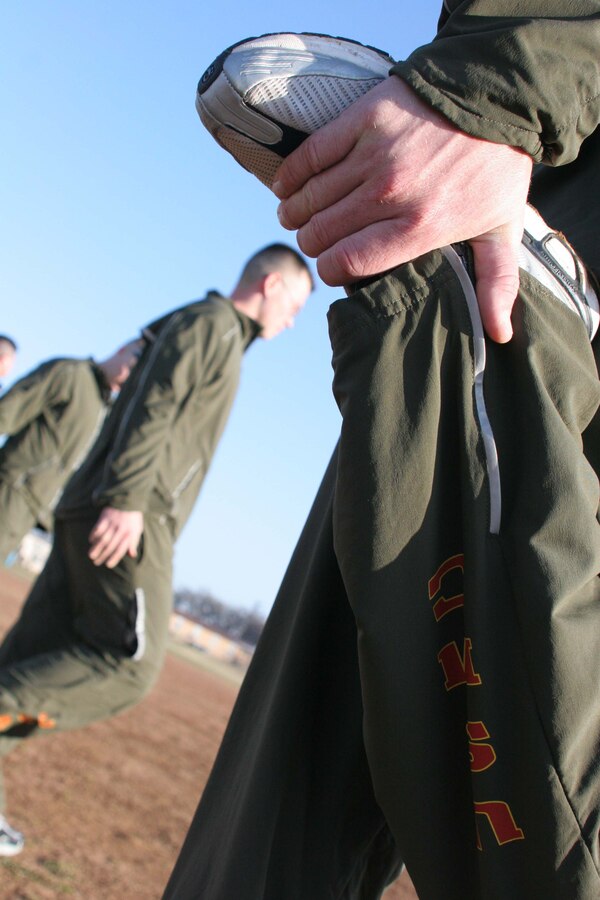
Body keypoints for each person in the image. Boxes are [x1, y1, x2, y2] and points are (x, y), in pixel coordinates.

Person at [163, 5, 600, 900]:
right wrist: (494, 92)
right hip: (492, 298)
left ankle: (473, 346)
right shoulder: (205, 329)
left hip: (478, 319)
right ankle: (483, 348)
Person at [0, 242, 313, 857]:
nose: (292, 322)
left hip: (87, 507)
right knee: (130, 666)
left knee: (34, 654)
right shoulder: (214, 325)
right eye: (296, 306)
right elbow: (155, 408)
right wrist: (127, 499)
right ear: (272, 286)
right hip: (126, 515)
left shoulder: (206, 329)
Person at [0, 342, 144, 565]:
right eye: (136, 360)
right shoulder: (70, 374)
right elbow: (7, 412)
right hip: (10, 490)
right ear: (122, 350)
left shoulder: (105, 410)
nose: (133, 374)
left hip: (33, 509)